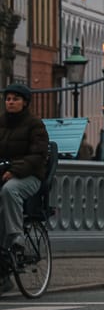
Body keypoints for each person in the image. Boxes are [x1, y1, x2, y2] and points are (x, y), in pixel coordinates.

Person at [1, 83, 48, 260]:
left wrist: (14, 171)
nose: (10, 102)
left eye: (15, 99)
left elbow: (38, 154)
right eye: (8, 99)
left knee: (10, 190)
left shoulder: (35, 124)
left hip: (29, 176)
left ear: (25, 103)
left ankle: (16, 235)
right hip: (4, 173)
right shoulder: (1, 122)